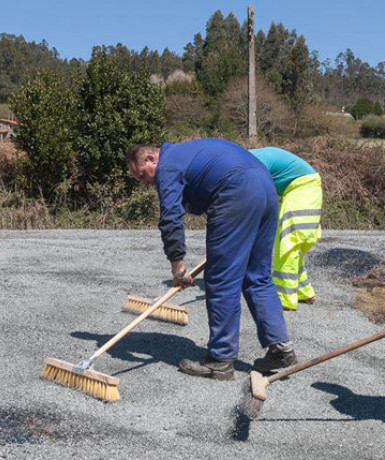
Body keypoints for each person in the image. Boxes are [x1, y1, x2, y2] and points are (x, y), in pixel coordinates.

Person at [126, 139, 298, 381]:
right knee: (256, 275)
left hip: (235, 191)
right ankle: (281, 348)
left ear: (151, 159)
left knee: (220, 278)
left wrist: (178, 267)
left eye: (142, 175)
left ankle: (220, 360)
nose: (145, 183)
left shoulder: (168, 166)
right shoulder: (186, 153)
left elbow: (170, 219)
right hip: (266, 188)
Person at [248, 147, 322, 311]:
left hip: (302, 188)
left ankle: (284, 298)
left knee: (288, 243)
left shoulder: (252, 163)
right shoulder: (249, 159)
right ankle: (304, 292)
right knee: (290, 245)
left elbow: (254, 197)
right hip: (291, 191)